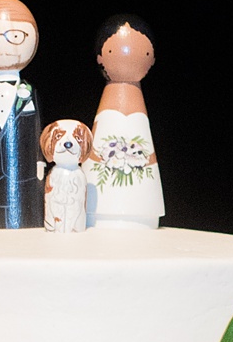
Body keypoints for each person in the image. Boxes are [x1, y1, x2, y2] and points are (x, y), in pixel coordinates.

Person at [0, 0, 44, 228]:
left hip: (25, 175)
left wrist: (39, 162)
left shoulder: (29, 92)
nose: (1, 47)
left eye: (13, 37)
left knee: (25, 222)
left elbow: (37, 129)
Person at [89, 15, 162, 227]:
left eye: (146, 53)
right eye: (111, 51)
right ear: (100, 58)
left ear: (152, 59)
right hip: (96, 214)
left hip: (144, 213)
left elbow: (148, 157)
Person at [40, 119, 96, 233]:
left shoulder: (79, 175)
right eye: (59, 136)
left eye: (78, 138)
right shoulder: (53, 175)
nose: (68, 142)